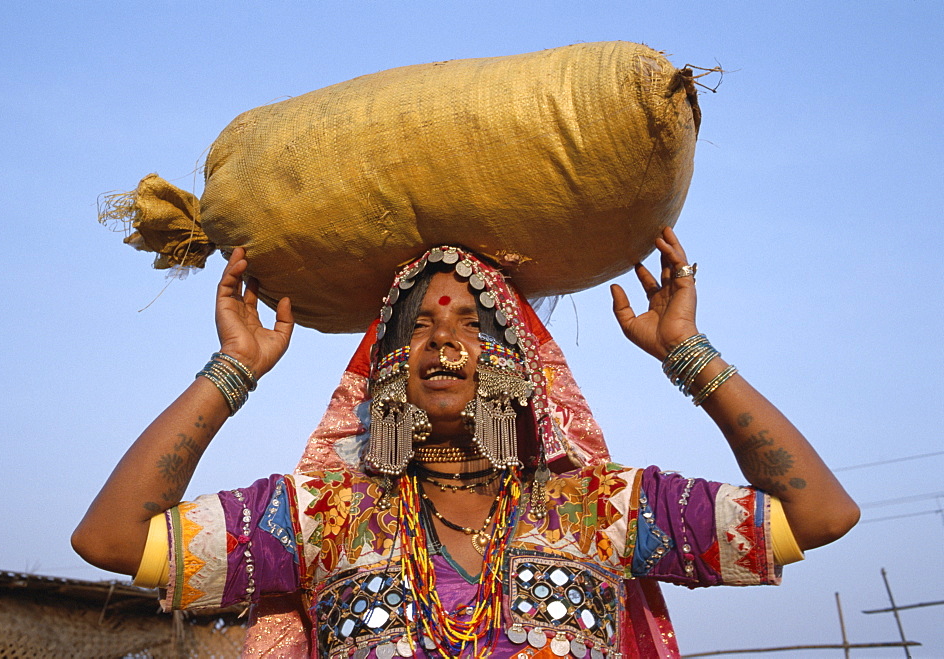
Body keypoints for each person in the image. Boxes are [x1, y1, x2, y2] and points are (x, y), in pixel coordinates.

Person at [73, 229, 859, 657]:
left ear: (520, 368)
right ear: (387, 375)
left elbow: (819, 514)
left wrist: (688, 352)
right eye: (415, 327)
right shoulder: (322, 516)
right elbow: (110, 538)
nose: (441, 339)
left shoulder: (602, 506)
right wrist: (235, 368)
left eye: (470, 325)